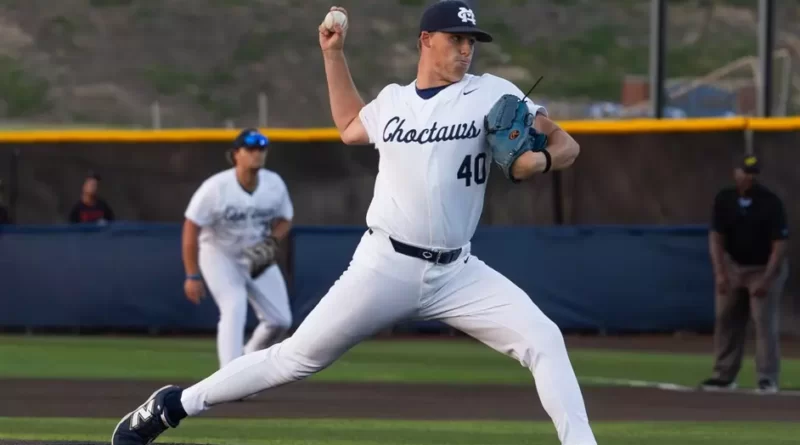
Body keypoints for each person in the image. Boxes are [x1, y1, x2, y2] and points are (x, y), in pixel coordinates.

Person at [111, 3, 597, 445]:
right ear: (426, 40)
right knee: (295, 358)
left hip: (458, 272)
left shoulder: (493, 93)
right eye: (456, 39)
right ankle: (172, 406)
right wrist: (333, 54)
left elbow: (565, 145)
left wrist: (542, 161)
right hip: (386, 264)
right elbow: (348, 126)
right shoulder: (391, 102)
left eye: (472, 41)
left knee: (544, 338)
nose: (466, 49)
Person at [182, 128, 294, 369]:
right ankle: (229, 376)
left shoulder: (274, 184)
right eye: (250, 149)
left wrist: (272, 241)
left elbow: (285, 219)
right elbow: (191, 226)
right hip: (219, 254)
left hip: (256, 253)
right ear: (235, 155)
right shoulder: (215, 188)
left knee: (281, 320)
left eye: (261, 149)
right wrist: (192, 274)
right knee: (233, 305)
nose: (257, 153)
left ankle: (250, 354)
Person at [700, 154, 789, 393]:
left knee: (763, 322)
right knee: (726, 319)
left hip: (763, 267)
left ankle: (767, 377)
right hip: (733, 266)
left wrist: (768, 279)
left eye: (753, 173)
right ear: (735, 172)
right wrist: (720, 273)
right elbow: (716, 239)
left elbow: (779, 246)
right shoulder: (725, 199)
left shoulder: (770, 202)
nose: (749, 176)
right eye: (745, 171)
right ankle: (724, 374)